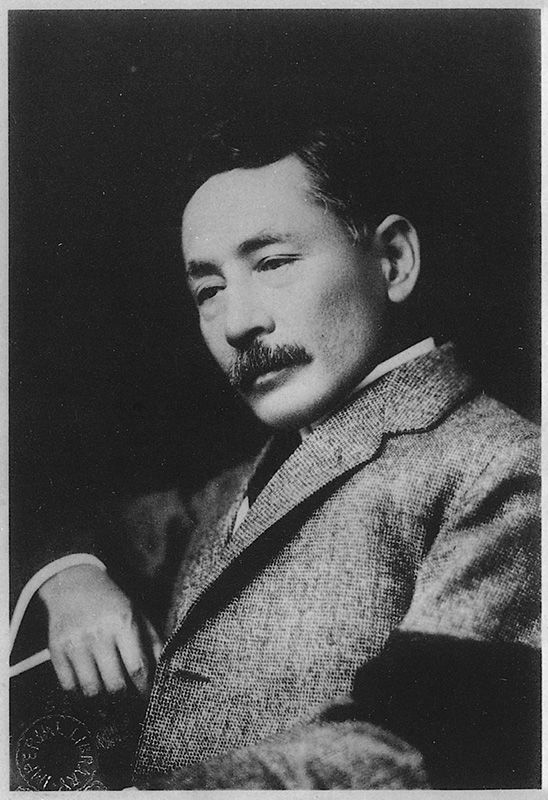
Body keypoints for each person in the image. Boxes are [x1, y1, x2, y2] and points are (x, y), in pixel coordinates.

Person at [14, 103, 540, 790]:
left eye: (273, 262)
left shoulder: (504, 467)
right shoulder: (232, 491)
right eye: (209, 289)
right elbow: (64, 520)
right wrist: (71, 577)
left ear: (393, 261)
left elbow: (412, 747)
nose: (238, 322)